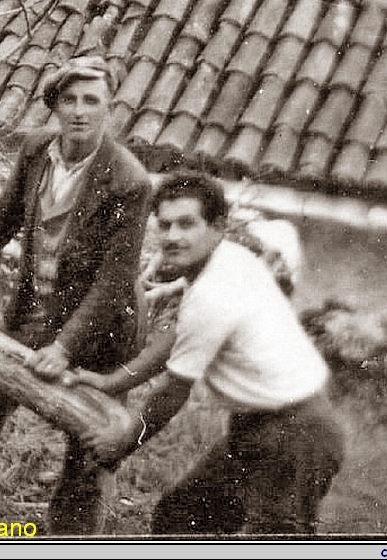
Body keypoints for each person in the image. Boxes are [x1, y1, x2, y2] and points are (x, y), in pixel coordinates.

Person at [0, 56, 152, 535]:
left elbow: (115, 279)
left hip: (100, 333)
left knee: (89, 446)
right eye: (70, 100)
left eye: (91, 101)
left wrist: (64, 348)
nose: (80, 111)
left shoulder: (129, 181)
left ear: (110, 108)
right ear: (55, 105)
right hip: (33, 311)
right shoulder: (38, 150)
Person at [79, 171, 344, 534]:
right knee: (178, 518)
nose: (173, 237)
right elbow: (177, 335)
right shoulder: (223, 259)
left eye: (187, 224)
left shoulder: (213, 291)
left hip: (296, 436)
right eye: (165, 225)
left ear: (218, 225)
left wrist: (121, 445)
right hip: (258, 427)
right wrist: (115, 381)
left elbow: (173, 393)